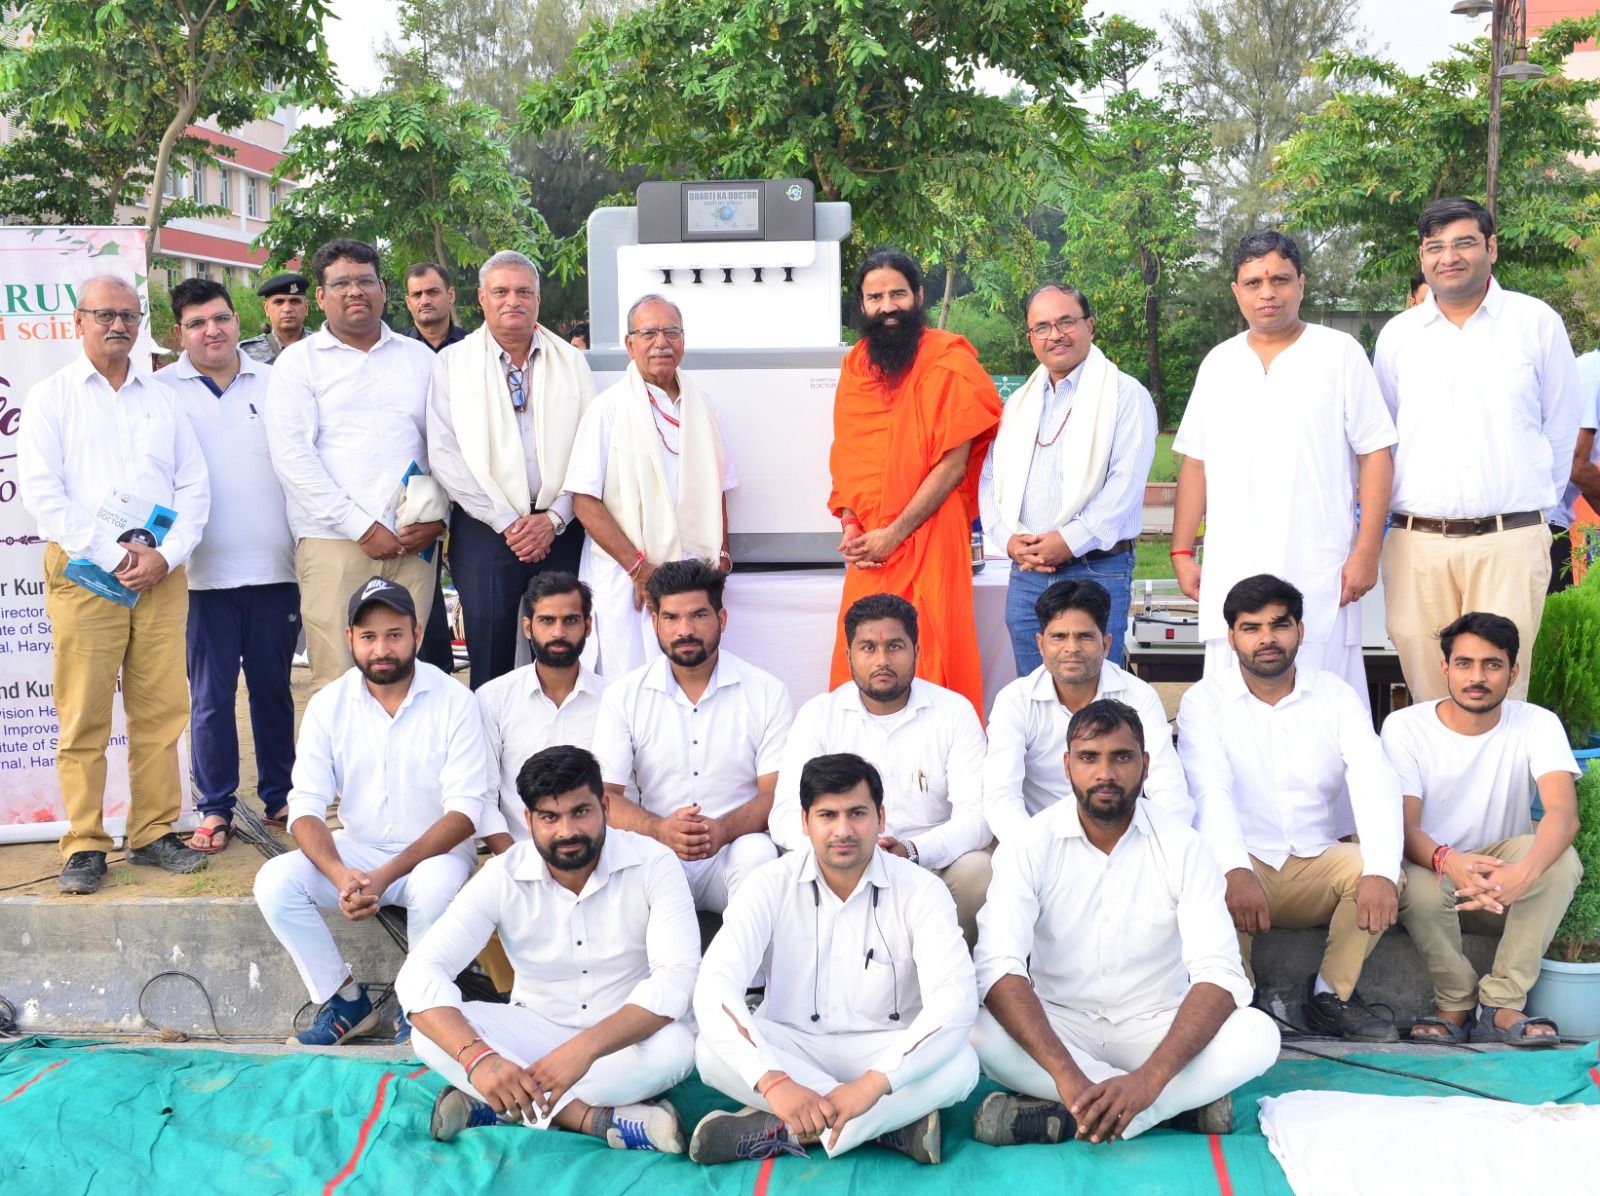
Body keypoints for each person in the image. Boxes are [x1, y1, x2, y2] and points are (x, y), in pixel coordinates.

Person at [970, 700, 1279, 1147]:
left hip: (1155, 1026)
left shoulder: (1184, 846)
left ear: (1146, 765)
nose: (1105, 773)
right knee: (977, 1030)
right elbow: (998, 966)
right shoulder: (1029, 845)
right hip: (1061, 1025)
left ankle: (1087, 1114)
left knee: (1258, 1035)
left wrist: (1148, 1081)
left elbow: (1219, 973)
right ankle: (1171, 1109)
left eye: (1122, 757)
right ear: (1067, 765)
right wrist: (1067, 1075)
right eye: (1089, 758)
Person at [398, 745, 698, 1151]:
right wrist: (478, 1060)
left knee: (677, 1049)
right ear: (528, 819)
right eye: (549, 817)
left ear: (605, 806)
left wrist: (582, 1051)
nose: (567, 831)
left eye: (580, 812)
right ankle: (591, 1120)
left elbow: (675, 981)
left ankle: (500, 1105)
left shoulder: (654, 863)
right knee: (429, 1034)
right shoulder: (502, 875)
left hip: (622, 1042)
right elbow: (422, 971)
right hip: (534, 1032)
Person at [17, 273, 212, 894]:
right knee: (83, 716)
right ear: (78, 321)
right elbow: (44, 494)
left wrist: (166, 555)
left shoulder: (164, 399)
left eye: (128, 315)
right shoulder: (51, 398)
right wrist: (114, 554)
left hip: (161, 576)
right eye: (104, 315)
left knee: (161, 711)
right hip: (84, 574)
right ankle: (85, 843)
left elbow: (194, 488)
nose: (118, 325)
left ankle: (154, 833)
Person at [688, 753, 979, 1166]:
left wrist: (875, 1083)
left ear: (880, 817)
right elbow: (715, 986)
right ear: (805, 821)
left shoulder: (921, 890)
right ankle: (890, 1126)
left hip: (885, 1050)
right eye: (828, 815)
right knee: (709, 1050)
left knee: (962, 1065)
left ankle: (789, 1129)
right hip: (792, 1047)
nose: (843, 830)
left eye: (857, 813)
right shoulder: (769, 885)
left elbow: (955, 1000)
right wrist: (774, 1082)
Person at [253, 578, 490, 1046]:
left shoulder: (455, 701)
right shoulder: (328, 705)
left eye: (394, 635)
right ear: (350, 640)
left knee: (439, 884)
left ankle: (418, 1004)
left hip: (434, 853)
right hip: (358, 850)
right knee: (275, 881)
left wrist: (383, 876)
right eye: (368, 636)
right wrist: (341, 873)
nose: (382, 648)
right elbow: (305, 805)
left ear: (418, 635)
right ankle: (345, 1002)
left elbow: (465, 813)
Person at [1177, 575, 1405, 1041]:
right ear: (1232, 637)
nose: (1266, 639)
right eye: (1251, 627)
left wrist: (1381, 870)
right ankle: (1238, 998)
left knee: (1382, 871)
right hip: (1243, 866)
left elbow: (1372, 776)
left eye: (1279, 625)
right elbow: (1209, 791)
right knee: (1202, 872)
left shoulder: (1336, 695)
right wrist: (1234, 869)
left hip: (1314, 864)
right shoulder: (1205, 701)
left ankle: (1330, 996)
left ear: (1300, 630)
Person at [1172, 231, 1395, 706]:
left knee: (1324, 702)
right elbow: (1196, 461)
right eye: (1253, 282)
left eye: (1279, 279)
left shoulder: (1339, 355)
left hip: (1319, 566)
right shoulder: (1219, 364)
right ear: (1236, 291)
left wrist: (1366, 551)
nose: (1267, 293)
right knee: (1231, 707)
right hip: (1233, 563)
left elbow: (1376, 453)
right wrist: (1181, 551)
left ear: (1301, 284)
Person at [1375, 197, 1580, 702]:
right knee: (1428, 693)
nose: (1450, 257)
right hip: (1417, 544)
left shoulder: (1536, 323)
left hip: (1508, 541)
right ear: (1422, 258)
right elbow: (1382, 440)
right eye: (1435, 247)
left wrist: (1533, 515)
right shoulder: (1399, 336)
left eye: (1464, 242)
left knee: (1500, 696)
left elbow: (1561, 427)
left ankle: (1502, 785)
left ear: (1491, 247)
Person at [1383, 612, 1583, 1047]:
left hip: (1501, 887)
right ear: (1445, 669)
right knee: (1415, 885)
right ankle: (1453, 1001)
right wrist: (1447, 861)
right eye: (1464, 663)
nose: (1477, 677)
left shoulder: (1536, 722)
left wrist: (1522, 874)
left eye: (1492, 665)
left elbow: (1563, 814)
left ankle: (1503, 1003)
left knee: (1560, 858)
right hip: (1433, 872)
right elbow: (1404, 826)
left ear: (1512, 673)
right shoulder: (1405, 727)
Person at [265, 238, 446, 693]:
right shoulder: (297, 365)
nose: (355, 291)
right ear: (321, 297)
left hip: (413, 546)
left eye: (365, 281)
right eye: (341, 283)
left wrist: (439, 518)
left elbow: (446, 450)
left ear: (383, 289)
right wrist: (362, 527)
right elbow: (293, 460)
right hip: (335, 546)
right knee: (339, 685)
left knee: (405, 681)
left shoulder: (420, 359)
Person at [828, 250, 1003, 715]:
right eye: (875, 297)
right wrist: (851, 524)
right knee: (865, 647)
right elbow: (847, 458)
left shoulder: (947, 359)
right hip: (869, 549)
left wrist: (894, 534)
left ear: (919, 296)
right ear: (861, 305)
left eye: (897, 294)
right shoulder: (854, 367)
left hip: (929, 534)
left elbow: (952, 464)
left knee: (934, 643)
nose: (887, 306)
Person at [157, 278, 298, 852]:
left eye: (220, 319)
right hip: (198, 576)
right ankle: (213, 807)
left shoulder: (279, 382)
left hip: (275, 569)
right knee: (210, 697)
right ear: (178, 333)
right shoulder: (159, 390)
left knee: (274, 691)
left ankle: (282, 796)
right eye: (196, 323)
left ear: (239, 321)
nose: (211, 331)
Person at [769, 594, 992, 947]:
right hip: (840, 861)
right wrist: (849, 850)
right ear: (849, 657)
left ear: (917, 651)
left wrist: (912, 850)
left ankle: (958, 972)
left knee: (980, 869)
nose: (882, 660)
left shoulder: (953, 712)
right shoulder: (819, 715)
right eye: (868, 647)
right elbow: (784, 815)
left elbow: (979, 817)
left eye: (895, 646)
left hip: (929, 863)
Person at [428, 251, 593, 687]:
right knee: (491, 652)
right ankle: (489, 751)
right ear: (481, 299)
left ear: (538, 299)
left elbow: (591, 448)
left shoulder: (572, 362)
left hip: (560, 527)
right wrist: (509, 522)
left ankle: (561, 747)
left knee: (561, 644)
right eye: (500, 291)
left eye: (523, 292)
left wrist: (554, 518)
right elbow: (445, 453)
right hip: (486, 528)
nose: (512, 301)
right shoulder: (452, 363)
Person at [592, 561, 792, 913]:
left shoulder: (766, 691)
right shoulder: (624, 695)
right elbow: (606, 796)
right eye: (671, 618)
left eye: (699, 615)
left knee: (759, 854)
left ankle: (750, 970)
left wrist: (724, 829)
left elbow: (775, 794)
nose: (685, 630)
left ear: (722, 619)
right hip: (657, 848)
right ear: (655, 622)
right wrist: (659, 830)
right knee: (619, 858)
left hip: (733, 851)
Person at [979, 283, 1156, 671]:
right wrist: (1006, 539)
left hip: (1096, 567)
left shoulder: (1126, 395)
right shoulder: (1019, 403)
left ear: (1090, 326)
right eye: (1041, 327)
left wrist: (1068, 541)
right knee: (1035, 692)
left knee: (1091, 695)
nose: (1055, 334)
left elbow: (1125, 487)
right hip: (1027, 571)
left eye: (1066, 322)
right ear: (1030, 338)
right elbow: (991, 478)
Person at [566, 295, 736, 678]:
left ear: (683, 341)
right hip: (627, 577)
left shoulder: (704, 406)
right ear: (630, 345)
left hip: (693, 574)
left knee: (691, 679)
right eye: (648, 333)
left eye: (670, 332)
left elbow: (722, 488)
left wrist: (723, 556)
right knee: (629, 683)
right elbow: (583, 502)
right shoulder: (607, 409)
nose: (661, 342)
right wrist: (640, 569)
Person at [983, 580, 1192, 844]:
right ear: (1040, 644)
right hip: (1040, 844)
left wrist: (1161, 850)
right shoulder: (1015, 701)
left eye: (1084, 636)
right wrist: (1034, 853)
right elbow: (1001, 796)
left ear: (1105, 644)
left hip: (1123, 842)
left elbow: (1167, 787)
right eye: (1058, 637)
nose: (1071, 648)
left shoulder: (1138, 696)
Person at [477, 573, 608, 854]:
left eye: (570, 620)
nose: (558, 632)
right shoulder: (493, 698)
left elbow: (622, 793)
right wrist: (511, 862)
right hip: (519, 855)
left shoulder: (615, 699)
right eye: (547, 620)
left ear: (588, 626)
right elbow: (482, 796)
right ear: (528, 627)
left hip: (600, 856)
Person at [1549, 347, 1600, 593]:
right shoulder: (1594, 375)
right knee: (1557, 623)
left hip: (1549, 519)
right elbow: (1576, 466)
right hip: (1543, 521)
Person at [240, 272, 310, 364]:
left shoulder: (323, 346)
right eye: (279, 302)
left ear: (306, 307)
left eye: (295, 301)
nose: (287, 309)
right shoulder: (245, 353)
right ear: (266, 308)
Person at [403, 262, 466, 353]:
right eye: (417, 294)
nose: (424, 301)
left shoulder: (473, 347)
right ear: (408, 303)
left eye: (433, 292)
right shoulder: (395, 350)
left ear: (451, 295)